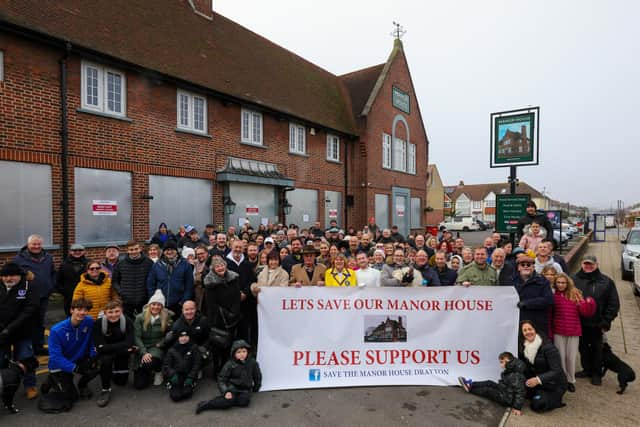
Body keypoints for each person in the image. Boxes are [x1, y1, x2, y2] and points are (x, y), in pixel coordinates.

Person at [40, 298, 98, 411]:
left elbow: (92, 340)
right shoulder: (57, 330)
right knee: (72, 398)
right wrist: (75, 368)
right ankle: (51, 380)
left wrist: (92, 356)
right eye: (79, 309)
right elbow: (55, 357)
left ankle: (82, 385)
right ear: (72, 310)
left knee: (97, 366)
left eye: (85, 310)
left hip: (79, 359)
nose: (82, 313)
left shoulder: (89, 321)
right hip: (59, 366)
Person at [572, 255, 620, 385]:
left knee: (597, 348)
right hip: (579, 322)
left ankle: (596, 373)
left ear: (597, 264)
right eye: (586, 264)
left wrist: (607, 320)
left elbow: (613, 303)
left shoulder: (606, 281)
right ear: (582, 264)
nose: (588, 266)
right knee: (582, 348)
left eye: (591, 264)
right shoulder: (573, 279)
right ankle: (586, 369)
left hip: (597, 323)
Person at [0, 262, 39, 400]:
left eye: (11, 276)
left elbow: (29, 310)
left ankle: (30, 386)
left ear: (19, 276)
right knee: (1, 361)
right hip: (2, 333)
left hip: (23, 331)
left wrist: (10, 328)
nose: (8, 279)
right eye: (4, 276)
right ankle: (4, 385)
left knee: (25, 359)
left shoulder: (28, 287)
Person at [551, 273, 595, 393]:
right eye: (558, 283)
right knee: (561, 357)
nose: (561, 285)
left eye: (563, 282)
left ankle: (570, 380)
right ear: (555, 283)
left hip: (573, 331)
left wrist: (588, 303)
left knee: (571, 358)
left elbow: (586, 312)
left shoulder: (575, 294)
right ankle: (563, 380)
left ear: (567, 283)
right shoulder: (553, 295)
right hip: (558, 330)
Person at [13, 234, 56, 356]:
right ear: (28, 245)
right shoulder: (18, 259)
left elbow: (53, 273)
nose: (36, 246)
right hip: (26, 297)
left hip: (43, 296)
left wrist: (51, 286)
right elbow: (14, 277)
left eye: (38, 244)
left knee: (40, 322)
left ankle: (38, 346)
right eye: (33, 244)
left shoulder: (48, 257)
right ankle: (26, 348)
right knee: (26, 321)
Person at [195, 339, 261, 413]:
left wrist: (257, 386)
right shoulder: (230, 364)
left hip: (245, 389)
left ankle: (227, 401)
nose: (242, 354)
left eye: (244, 351)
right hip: (232, 387)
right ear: (234, 353)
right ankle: (206, 404)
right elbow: (221, 379)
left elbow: (257, 375)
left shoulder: (252, 362)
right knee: (228, 401)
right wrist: (226, 391)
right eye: (238, 352)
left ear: (248, 352)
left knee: (244, 402)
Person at [203, 257, 243, 375]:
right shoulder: (209, 282)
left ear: (225, 266)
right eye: (217, 266)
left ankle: (227, 368)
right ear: (213, 268)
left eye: (222, 266)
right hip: (217, 318)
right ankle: (217, 369)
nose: (220, 268)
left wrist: (234, 312)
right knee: (217, 344)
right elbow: (211, 303)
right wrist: (226, 314)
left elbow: (237, 296)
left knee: (229, 344)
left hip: (233, 316)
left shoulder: (233, 278)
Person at [93, 300, 135, 407]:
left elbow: (130, 342)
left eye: (117, 311)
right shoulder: (98, 323)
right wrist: (124, 348)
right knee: (106, 361)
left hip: (120, 353)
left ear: (121, 311)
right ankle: (105, 389)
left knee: (121, 382)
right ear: (105, 312)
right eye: (110, 312)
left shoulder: (127, 321)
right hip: (112, 353)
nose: (114, 315)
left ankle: (110, 372)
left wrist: (107, 347)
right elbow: (99, 347)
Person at [519, 320, 567, 412]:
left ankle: (556, 401)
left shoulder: (549, 347)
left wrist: (538, 380)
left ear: (535, 330)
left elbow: (556, 371)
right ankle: (538, 394)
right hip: (539, 384)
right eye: (524, 330)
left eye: (530, 329)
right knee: (516, 393)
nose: (528, 332)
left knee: (538, 405)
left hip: (554, 384)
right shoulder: (524, 346)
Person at [458, 351, 526, 416]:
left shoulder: (515, 375)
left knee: (488, 390)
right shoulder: (512, 369)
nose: (501, 365)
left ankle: (470, 389)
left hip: (506, 399)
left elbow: (520, 391)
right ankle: (470, 384)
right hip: (504, 390)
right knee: (489, 382)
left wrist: (517, 407)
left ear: (508, 361)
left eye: (502, 362)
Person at [133, 290, 173, 389]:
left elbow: (171, 333)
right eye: (153, 304)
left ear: (162, 307)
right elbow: (136, 336)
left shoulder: (166, 318)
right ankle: (145, 370)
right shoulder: (139, 318)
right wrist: (143, 352)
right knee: (139, 385)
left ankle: (158, 371)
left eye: (159, 305)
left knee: (149, 363)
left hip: (156, 347)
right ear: (149, 305)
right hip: (142, 346)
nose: (156, 307)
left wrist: (162, 342)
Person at [147, 240, 194, 318]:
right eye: (167, 250)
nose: (169, 252)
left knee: (177, 327)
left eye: (172, 249)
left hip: (179, 304)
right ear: (164, 252)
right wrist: (154, 300)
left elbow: (189, 285)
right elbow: (150, 284)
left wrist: (183, 301)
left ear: (176, 251)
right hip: (160, 304)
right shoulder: (157, 265)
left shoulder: (185, 265)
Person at [112, 240, 155, 319]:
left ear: (140, 249)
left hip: (144, 300)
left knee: (144, 323)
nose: (134, 251)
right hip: (126, 301)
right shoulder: (120, 264)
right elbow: (115, 282)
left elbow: (153, 280)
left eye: (136, 249)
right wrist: (122, 293)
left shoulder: (149, 263)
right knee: (127, 324)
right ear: (127, 250)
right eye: (131, 250)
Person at [514, 256, 554, 337]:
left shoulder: (542, 281)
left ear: (533, 267)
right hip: (518, 324)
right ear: (518, 268)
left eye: (528, 265)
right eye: (522, 265)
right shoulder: (511, 281)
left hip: (538, 323)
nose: (525, 266)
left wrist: (527, 303)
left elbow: (548, 300)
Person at [163, 331, 202, 402]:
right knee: (175, 396)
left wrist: (191, 377)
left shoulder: (193, 347)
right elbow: (167, 365)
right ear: (178, 338)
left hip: (188, 375)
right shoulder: (172, 349)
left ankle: (192, 384)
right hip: (176, 375)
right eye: (181, 336)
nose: (184, 338)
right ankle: (171, 385)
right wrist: (172, 374)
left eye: (186, 336)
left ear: (189, 337)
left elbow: (197, 364)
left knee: (186, 393)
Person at [56, 243, 88, 316]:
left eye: (80, 250)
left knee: (85, 315)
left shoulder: (89, 264)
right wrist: (64, 291)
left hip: (85, 295)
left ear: (84, 251)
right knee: (70, 316)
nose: (77, 252)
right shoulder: (64, 264)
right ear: (70, 251)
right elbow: (58, 280)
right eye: (74, 250)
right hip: (69, 297)